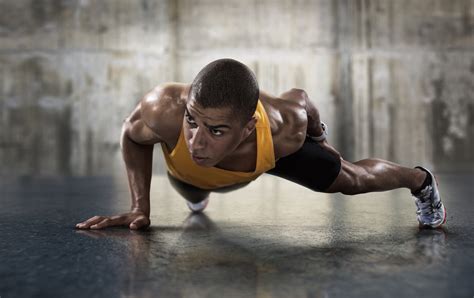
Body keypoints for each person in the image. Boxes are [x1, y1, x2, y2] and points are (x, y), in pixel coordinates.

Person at [75, 58, 446, 231]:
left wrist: (320, 140)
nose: (196, 141)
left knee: (351, 180)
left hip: (266, 158)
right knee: (192, 182)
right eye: (192, 121)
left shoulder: (285, 128)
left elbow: (302, 99)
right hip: (189, 177)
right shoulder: (163, 109)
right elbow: (131, 133)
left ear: (248, 126)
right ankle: (198, 187)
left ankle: (420, 181)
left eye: (216, 130)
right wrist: (140, 206)